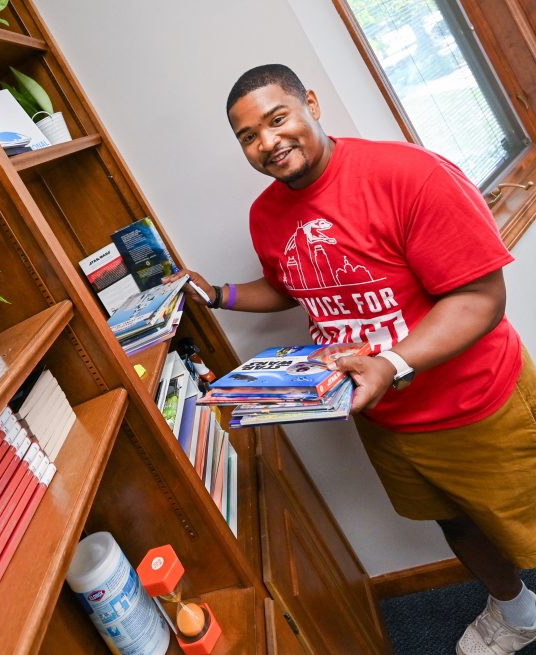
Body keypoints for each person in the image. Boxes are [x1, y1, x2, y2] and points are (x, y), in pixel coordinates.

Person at [167, 64, 536, 655]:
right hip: (386, 418)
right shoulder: (267, 215)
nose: (267, 142)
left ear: (310, 103)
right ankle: (518, 611)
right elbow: (293, 285)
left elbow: (481, 297)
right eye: (248, 136)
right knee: (458, 523)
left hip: (477, 404)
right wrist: (219, 295)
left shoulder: (407, 174)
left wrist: (392, 361)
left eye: (277, 118)